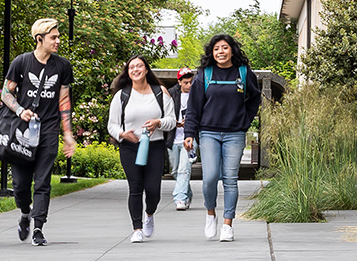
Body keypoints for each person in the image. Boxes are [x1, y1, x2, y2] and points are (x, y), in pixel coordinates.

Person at [1, 18, 76, 246]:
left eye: (58, 36)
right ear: (39, 39)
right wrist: (20, 110)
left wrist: (68, 134)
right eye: (53, 37)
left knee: (42, 182)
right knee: (20, 184)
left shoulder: (63, 66)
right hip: (22, 132)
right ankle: (25, 213)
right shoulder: (22, 62)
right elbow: (5, 94)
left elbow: (64, 100)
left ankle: (38, 228)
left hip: (48, 130)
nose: (58, 41)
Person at [184, 34, 261, 242]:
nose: (221, 52)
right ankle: (211, 213)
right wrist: (189, 133)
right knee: (209, 178)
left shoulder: (243, 73)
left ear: (232, 51)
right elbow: (193, 107)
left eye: (225, 48)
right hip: (208, 132)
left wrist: (245, 121)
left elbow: (255, 98)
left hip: (235, 133)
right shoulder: (204, 74)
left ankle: (227, 224)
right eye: (217, 48)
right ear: (212, 52)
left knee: (230, 179)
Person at [107, 55, 175, 243]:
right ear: (128, 72)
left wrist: (158, 122)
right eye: (131, 67)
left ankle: (149, 213)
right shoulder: (122, 95)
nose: (136, 70)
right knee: (135, 187)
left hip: (154, 146)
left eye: (139, 66)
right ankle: (137, 228)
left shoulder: (160, 92)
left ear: (146, 69)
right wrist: (122, 135)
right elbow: (111, 125)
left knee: (153, 190)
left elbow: (172, 121)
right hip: (130, 146)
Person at [164, 67, 196, 211]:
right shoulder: (171, 94)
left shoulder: (198, 95)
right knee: (176, 171)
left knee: (184, 169)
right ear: (179, 82)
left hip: (190, 138)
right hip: (173, 137)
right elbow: (164, 113)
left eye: (191, 82)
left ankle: (180, 198)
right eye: (186, 82)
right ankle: (187, 193)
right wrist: (174, 123)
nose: (189, 85)